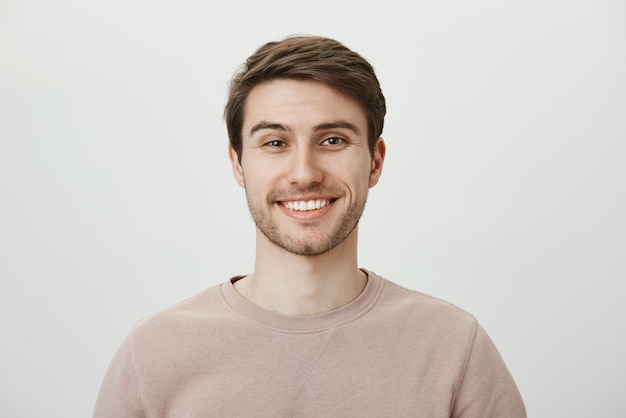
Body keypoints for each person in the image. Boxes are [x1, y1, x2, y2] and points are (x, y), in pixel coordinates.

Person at [93, 35, 526, 417]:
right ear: (238, 164)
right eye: (275, 143)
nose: (304, 173)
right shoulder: (153, 354)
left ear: (375, 161)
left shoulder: (454, 348)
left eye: (333, 140)